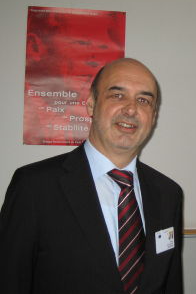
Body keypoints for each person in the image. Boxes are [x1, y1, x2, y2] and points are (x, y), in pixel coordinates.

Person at [0, 58, 183, 294]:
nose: (131, 109)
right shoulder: (34, 187)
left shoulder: (169, 194)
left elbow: (171, 284)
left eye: (143, 100)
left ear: (154, 116)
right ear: (91, 104)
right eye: (117, 95)